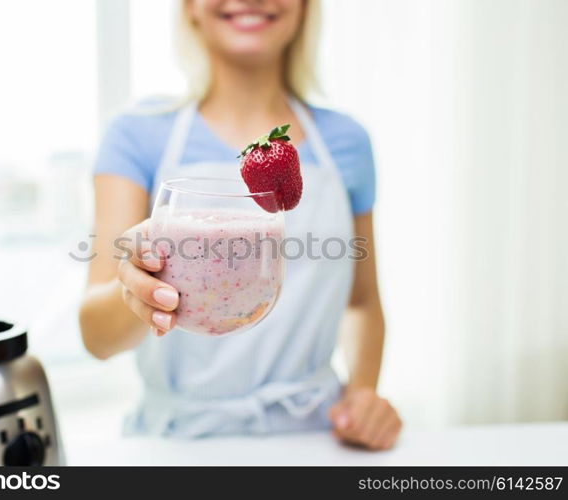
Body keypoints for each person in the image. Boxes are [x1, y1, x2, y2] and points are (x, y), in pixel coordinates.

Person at [79, 0, 402, 448]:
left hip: (315, 435)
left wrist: (363, 393)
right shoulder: (137, 133)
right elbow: (96, 337)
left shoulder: (346, 142)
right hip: (180, 443)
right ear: (189, 7)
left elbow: (362, 301)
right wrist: (137, 288)